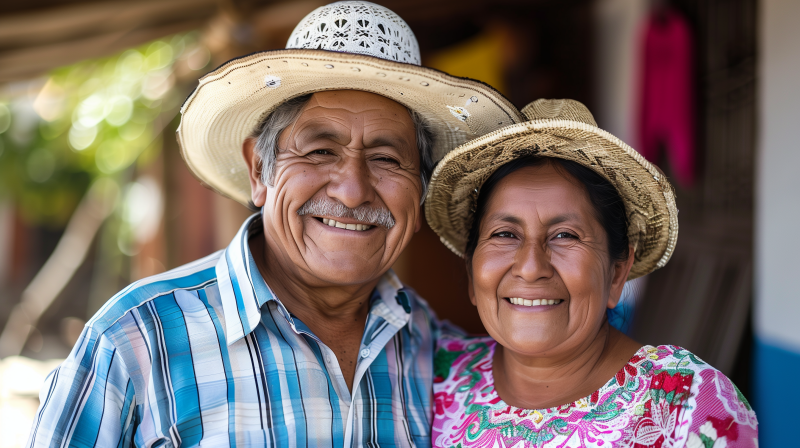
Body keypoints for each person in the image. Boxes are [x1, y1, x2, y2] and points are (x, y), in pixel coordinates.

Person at [26, 2, 522, 447]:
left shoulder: (436, 351)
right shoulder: (136, 338)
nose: (352, 191)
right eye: (320, 151)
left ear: (420, 187)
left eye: (387, 158)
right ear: (259, 171)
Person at [425, 99, 758, 447]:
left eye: (565, 236)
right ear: (471, 271)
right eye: (505, 235)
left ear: (616, 273)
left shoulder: (686, 405)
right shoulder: (434, 378)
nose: (530, 267)